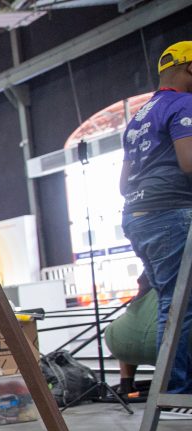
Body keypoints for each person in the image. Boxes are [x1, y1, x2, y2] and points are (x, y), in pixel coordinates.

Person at [121, 42, 192, 396]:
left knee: (171, 299)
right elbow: (189, 162)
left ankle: (173, 385)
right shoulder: (184, 104)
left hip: (137, 215)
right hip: (170, 213)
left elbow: (123, 183)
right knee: (181, 302)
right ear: (189, 69)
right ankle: (178, 388)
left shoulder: (138, 116)